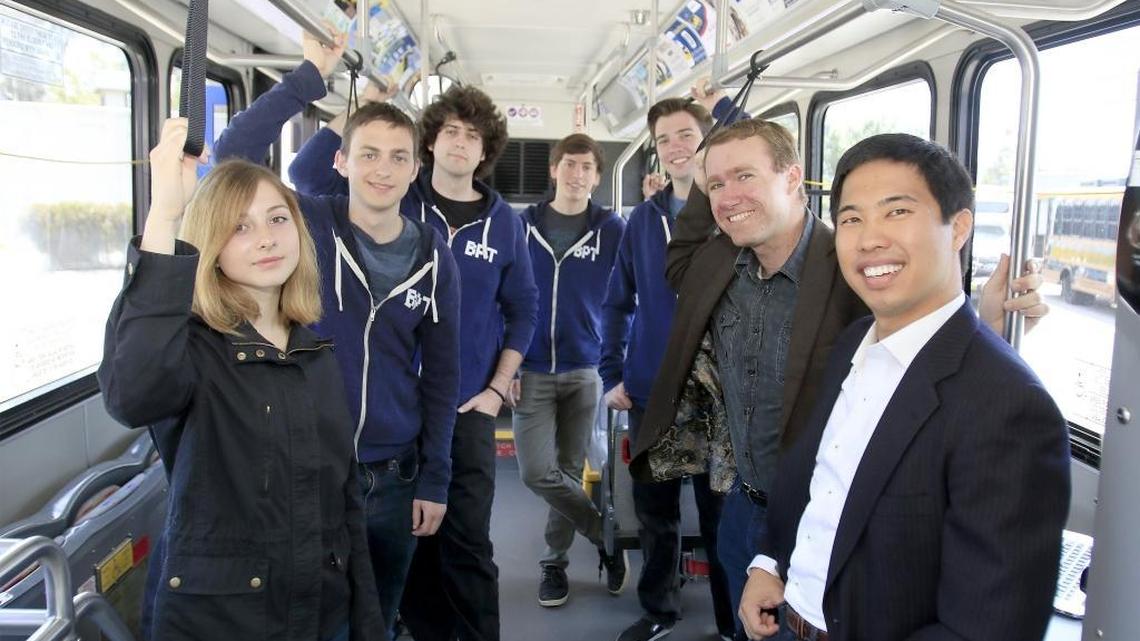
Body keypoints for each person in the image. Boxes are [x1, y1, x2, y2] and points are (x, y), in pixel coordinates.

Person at [628, 118, 1048, 640]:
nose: (871, 238)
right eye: (717, 184)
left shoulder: (848, 274)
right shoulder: (720, 263)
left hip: (822, 522)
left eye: (745, 177)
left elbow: (925, 334)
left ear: (793, 179)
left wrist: (986, 322)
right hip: (747, 507)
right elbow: (682, 252)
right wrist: (770, 557)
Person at [738, 132, 1070, 641]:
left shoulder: (1007, 406)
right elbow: (817, 475)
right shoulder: (854, 342)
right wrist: (769, 560)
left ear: (958, 227)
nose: (869, 238)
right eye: (851, 219)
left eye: (896, 212)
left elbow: (985, 627)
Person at [212, 33, 461, 638]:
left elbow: (443, 373)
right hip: (311, 469)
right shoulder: (309, 226)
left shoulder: (435, 254)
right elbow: (231, 154)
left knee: (377, 615)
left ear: (415, 168)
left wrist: (435, 477)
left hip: (395, 475)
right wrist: (308, 77)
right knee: (312, 621)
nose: (384, 169)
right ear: (342, 163)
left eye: (399, 157)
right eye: (368, 154)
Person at [98, 118, 384, 641]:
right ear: (212, 244)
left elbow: (343, 506)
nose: (266, 239)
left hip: (322, 608)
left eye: (277, 219)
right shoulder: (193, 349)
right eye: (240, 227)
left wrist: (365, 620)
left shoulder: (315, 354)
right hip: (220, 618)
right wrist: (165, 213)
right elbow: (132, 392)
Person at [289, 82, 539, 641]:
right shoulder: (394, 195)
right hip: (383, 415)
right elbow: (305, 174)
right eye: (449, 130)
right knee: (410, 552)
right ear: (429, 145)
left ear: (485, 149)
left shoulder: (505, 226)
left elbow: (524, 310)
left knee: (467, 542)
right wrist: (339, 95)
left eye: (472, 135)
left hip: (466, 403)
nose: (459, 143)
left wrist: (498, 387)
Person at [601, 96, 734, 641]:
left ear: (707, 140)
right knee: (657, 513)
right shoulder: (641, 224)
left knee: (723, 517)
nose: (676, 147)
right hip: (654, 392)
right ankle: (659, 609)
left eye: (687, 135)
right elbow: (617, 301)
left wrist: (722, 107)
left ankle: (731, 622)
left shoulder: (731, 215)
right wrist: (611, 372)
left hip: (721, 395)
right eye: (664, 140)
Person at [513, 132, 627, 607]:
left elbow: (628, 296)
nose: (577, 175)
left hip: (585, 367)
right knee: (536, 471)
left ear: (597, 177)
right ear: (554, 169)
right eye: (569, 165)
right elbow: (506, 298)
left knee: (565, 468)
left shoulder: (612, 229)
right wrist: (508, 362)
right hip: (532, 368)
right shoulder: (522, 226)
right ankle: (605, 533)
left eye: (586, 167)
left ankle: (552, 564)